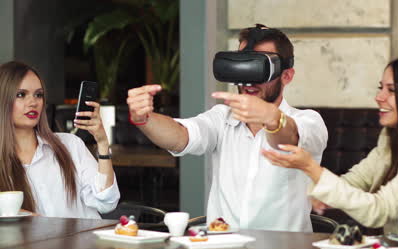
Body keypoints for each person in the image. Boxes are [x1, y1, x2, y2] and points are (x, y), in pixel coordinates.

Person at [126, 24, 328, 232]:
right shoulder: (222, 118)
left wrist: (271, 116)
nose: (249, 80)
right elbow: (180, 136)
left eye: (259, 67)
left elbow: (290, 136)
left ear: (286, 75)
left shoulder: (309, 121)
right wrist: (144, 118)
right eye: (243, 65)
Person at [262, 56, 398, 240]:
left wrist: (311, 168)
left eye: (391, 90)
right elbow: (358, 180)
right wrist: (322, 195)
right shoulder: (392, 138)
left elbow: (378, 210)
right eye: (381, 87)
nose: (379, 97)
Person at [0, 61, 120, 218]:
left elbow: (106, 203)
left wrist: (103, 143)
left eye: (38, 95)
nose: (33, 102)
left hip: (86, 241)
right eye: (21, 95)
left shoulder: (70, 145)